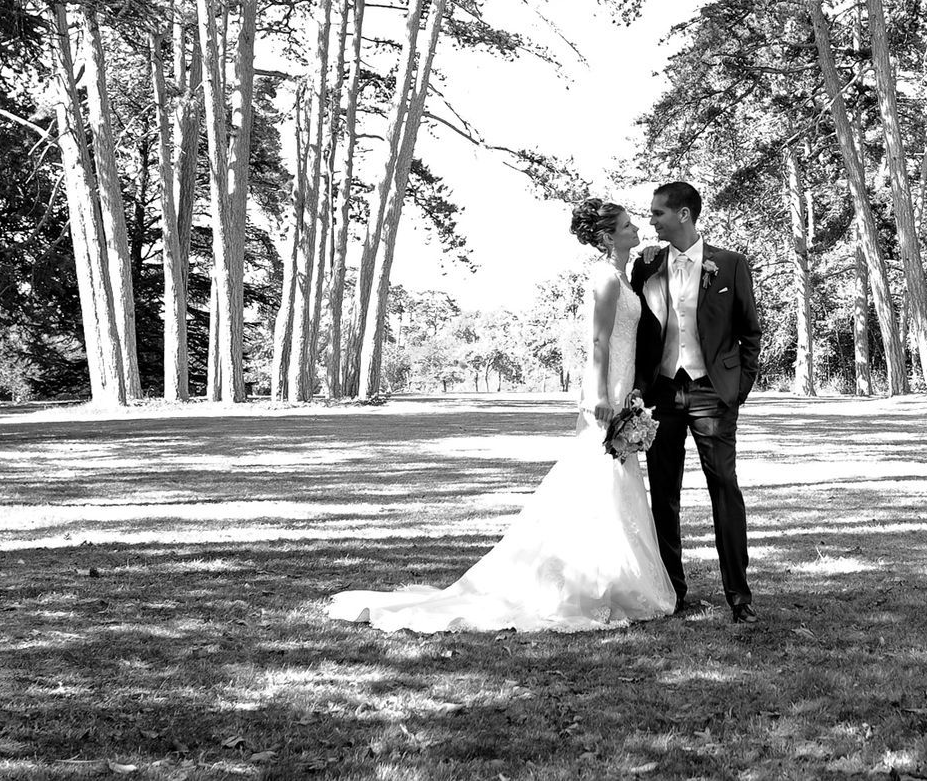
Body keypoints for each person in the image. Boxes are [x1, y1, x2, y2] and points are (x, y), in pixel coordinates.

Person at [326, 199, 675, 632]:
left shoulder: (624, 274)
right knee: (597, 482)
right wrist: (600, 395)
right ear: (608, 236)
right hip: (606, 392)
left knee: (611, 483)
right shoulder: (605, 278)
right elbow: (599, 342)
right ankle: (583, 584)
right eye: (627, 224)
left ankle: (610, 580)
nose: (635, 226)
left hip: (626, 391)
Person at [630, 180, 763, 623]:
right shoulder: (646, 265)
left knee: (724, 487)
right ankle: (673, 592)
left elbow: (750, 333)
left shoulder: (730, 264)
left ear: (683, 214)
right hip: (663, 392)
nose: (651, 220)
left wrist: (735, 391)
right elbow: (639, 334)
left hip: (712, 392)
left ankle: (739, 597)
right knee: (663, 495)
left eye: (658, 213)